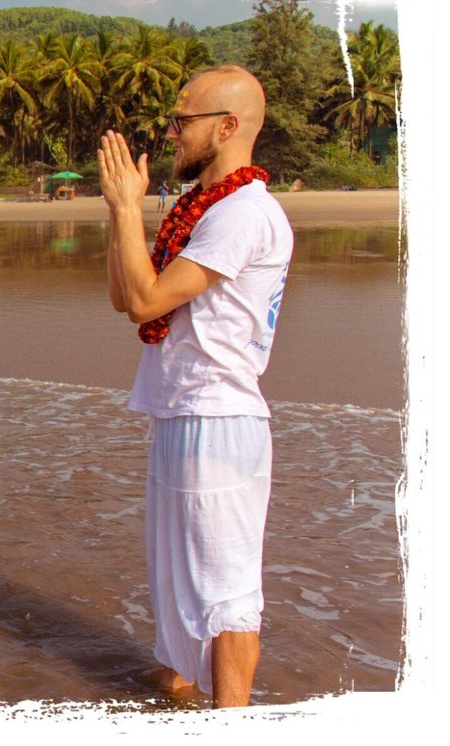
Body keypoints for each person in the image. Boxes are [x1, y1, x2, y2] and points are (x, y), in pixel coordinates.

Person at [96, 64, 292, 708]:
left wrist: (129, 205)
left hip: (220, 415)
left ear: (229, 127)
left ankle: (227, 718)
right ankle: (179, 689)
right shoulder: (201, 207)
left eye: (185, 121)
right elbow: (127, 300)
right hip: (181, 407)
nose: (173, 133)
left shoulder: (243, 213)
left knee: (226, 583)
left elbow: (150, 299)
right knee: (178, 577)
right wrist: (116, 214)